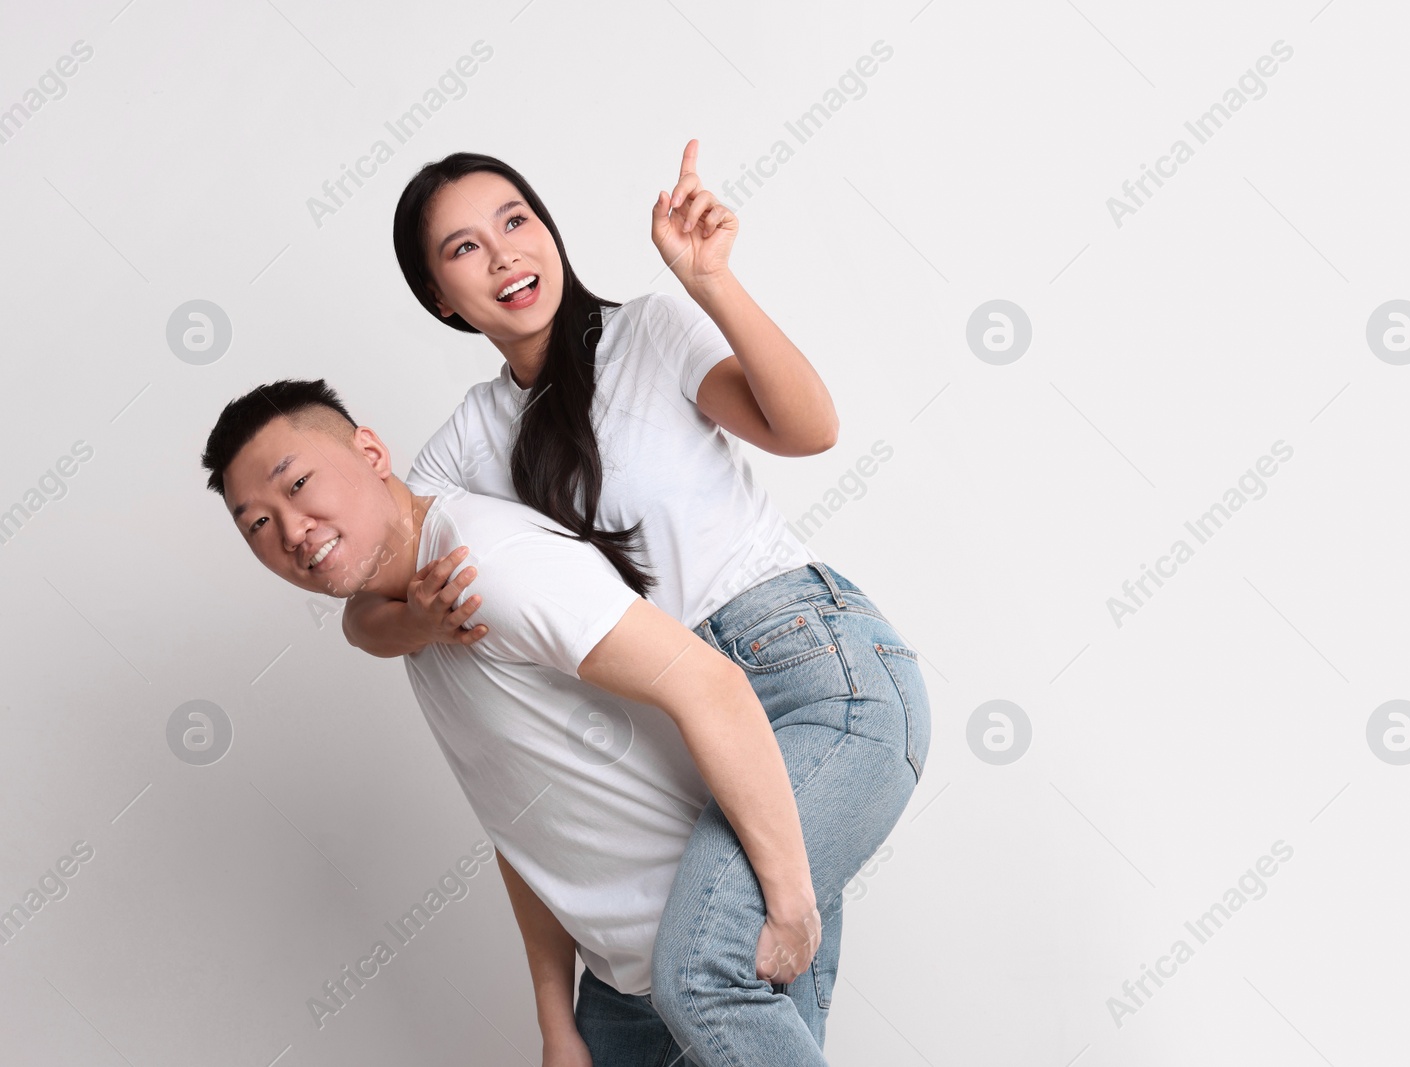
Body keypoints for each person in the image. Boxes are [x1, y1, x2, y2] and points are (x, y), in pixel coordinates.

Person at [340, 139, 931, 1064]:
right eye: (463, 250)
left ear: (549, 230)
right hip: (697, 745)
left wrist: (713, 283)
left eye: (515, 221)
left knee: (702, 973)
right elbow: (368, 606)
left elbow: (809, 428)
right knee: (663, 1011)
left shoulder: (648, 331)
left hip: (816, 677)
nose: (504, 256)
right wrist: (418, 613)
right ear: (440, 299)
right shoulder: (467, 441)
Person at [200, 379, 822, 1066]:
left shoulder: (484, 568)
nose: (289, 531)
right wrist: (557, 1025)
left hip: (717, 955)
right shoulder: (421, 619)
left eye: (297, 485)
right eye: (256, 522)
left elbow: (714, 686)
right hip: (621, 987)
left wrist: (791, 908)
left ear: (371, 451)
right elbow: (524, 830)